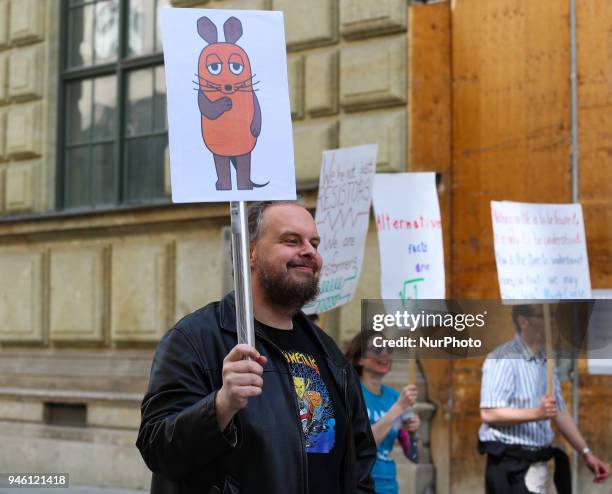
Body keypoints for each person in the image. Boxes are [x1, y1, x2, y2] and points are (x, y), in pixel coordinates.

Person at [136, 201, 376, 494]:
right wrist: (221, 405)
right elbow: (157, 448)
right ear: (250, 253)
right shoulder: (195, 339)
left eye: (314, 243)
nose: (310, 251)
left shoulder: (328, 351)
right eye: (291, 241)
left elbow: (360, 459)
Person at [479, 304, 610, 493]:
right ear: (524, 321)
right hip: (511, 467)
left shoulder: (546, 360)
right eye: (544, 317)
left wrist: (586, 453)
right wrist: (536, 413)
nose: (552, 323)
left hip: (539, 463)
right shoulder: (502, 358)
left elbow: (559, 412)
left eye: (553, 317)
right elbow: (489, 413)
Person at [346, 331, 421, 494]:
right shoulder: (351, 394)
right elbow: (363, 444)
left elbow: (414, 456)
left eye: (388, 348)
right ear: (360, 359)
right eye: (377, 349)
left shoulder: (395, 397)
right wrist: (398, 409)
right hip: (359, 484)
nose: (385, 353)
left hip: (388, 486)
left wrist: (413, 435)